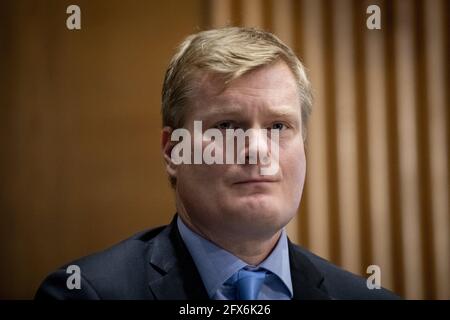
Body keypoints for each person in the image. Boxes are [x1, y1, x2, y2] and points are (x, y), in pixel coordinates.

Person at [35, 27, 399, 300]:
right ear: (172, 150)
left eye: (278, 126)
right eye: (227, 126)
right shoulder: (86, 293)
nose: (257, 150)